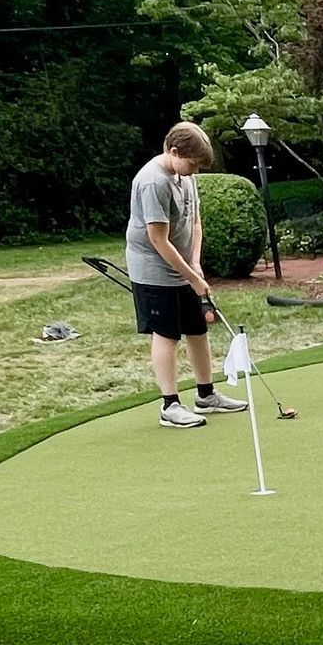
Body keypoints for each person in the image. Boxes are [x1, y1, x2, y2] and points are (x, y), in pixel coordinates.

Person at [125, 122, 247, 428]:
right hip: (153, 269)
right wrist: (191, 276)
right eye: (191, 163)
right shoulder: (153, 182)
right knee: (166, 333)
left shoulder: (185, 176)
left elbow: (194, 222)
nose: (194, 170)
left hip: (182, 264)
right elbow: (157, 239)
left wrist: (196, 265)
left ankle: (206, 395)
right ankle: (170, 405)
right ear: (173, 151)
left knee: (197, 328)